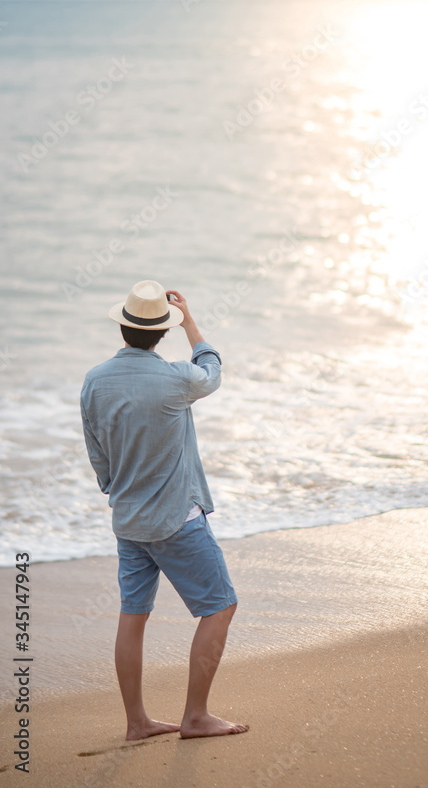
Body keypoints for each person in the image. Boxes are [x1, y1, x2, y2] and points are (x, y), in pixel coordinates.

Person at [80, 279, 249, 741]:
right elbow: (211, 369)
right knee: (219, 607)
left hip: (128, 519)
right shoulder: (177, 377)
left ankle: (137, 723)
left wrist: (115, 487)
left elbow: (96, 448)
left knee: (133, 616)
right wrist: (190, 319)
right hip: (177, 520)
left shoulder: (94, 379)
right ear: (162, 332)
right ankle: (195, 716)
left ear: (123, 327)